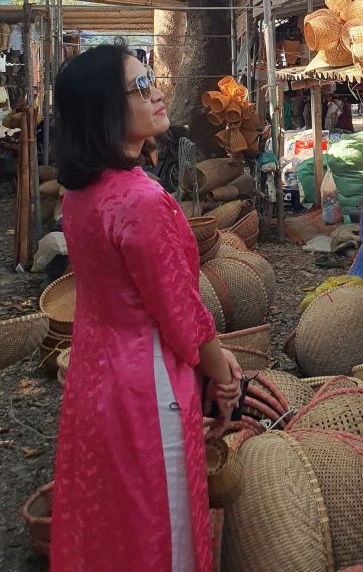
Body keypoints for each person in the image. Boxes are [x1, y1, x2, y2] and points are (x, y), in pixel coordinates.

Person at [51, 44, 242, 572]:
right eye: (140, 86)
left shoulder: (80, 195)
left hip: (95, 378)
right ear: (105, 109)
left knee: (111, 524)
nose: (157, 91)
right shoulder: (142, 201)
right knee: (161, 527)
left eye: (151, 78)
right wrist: (220, 370)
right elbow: (178, 311)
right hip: (146, 388)